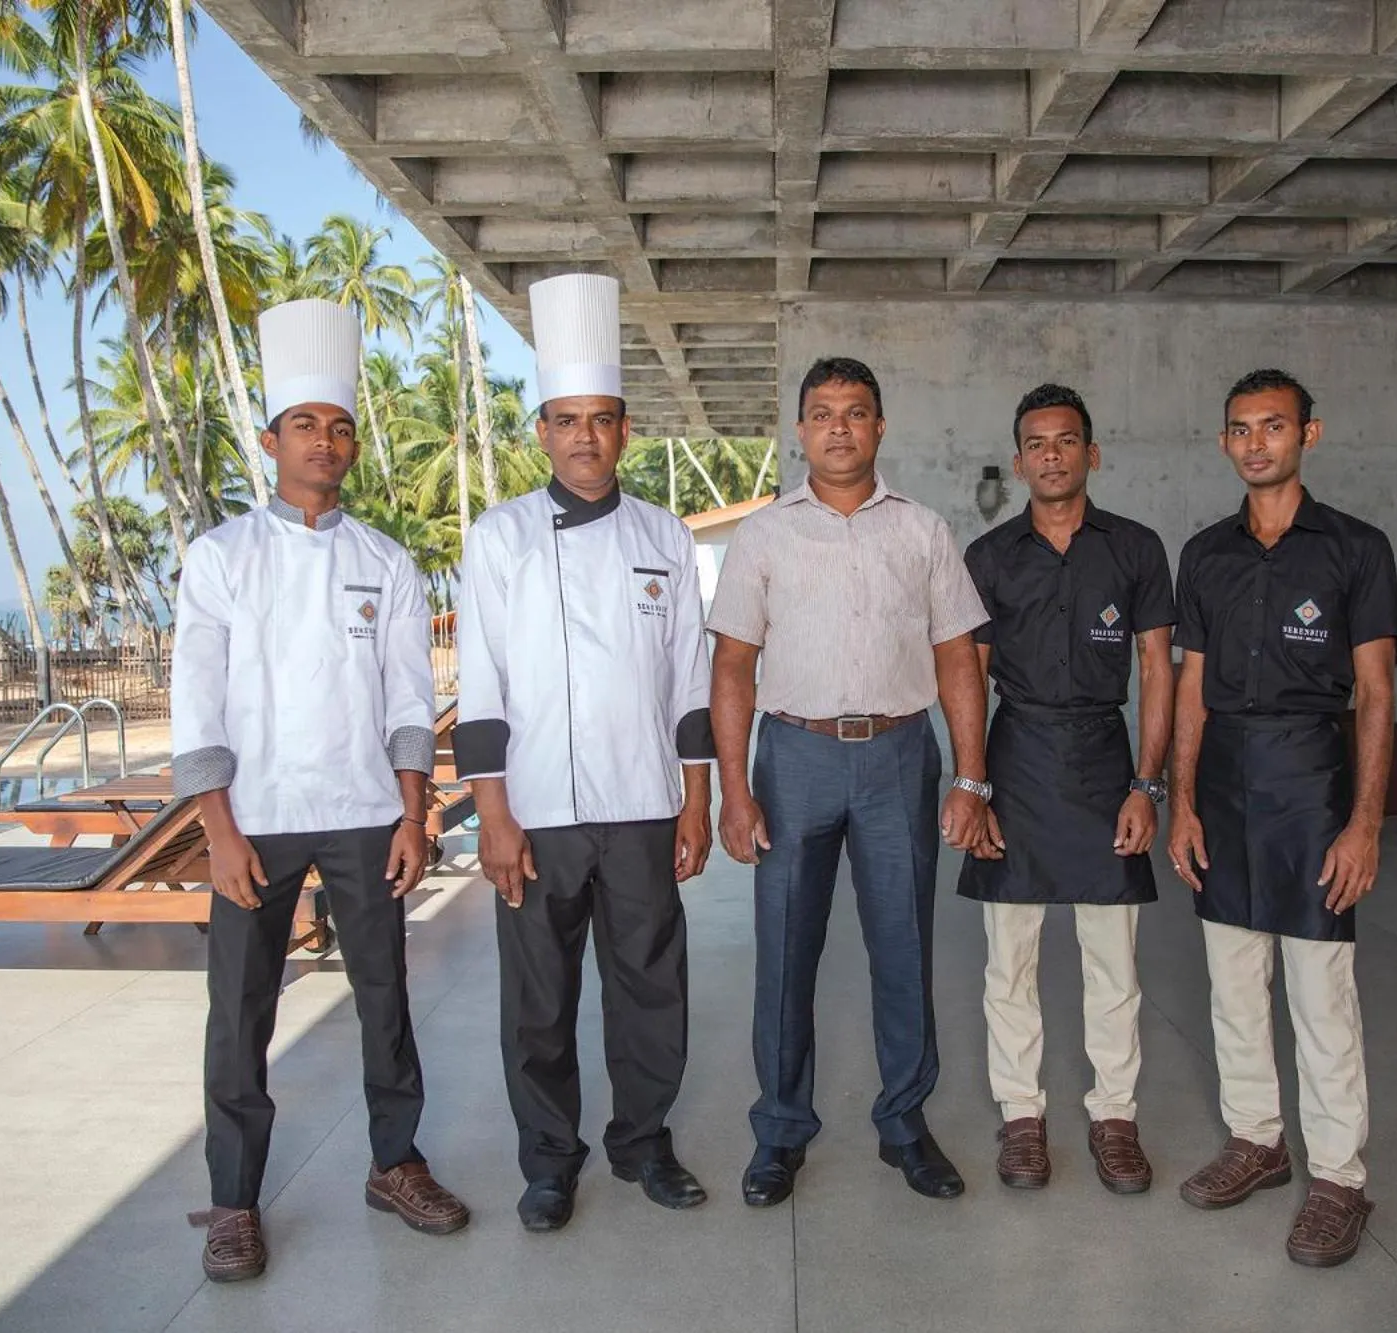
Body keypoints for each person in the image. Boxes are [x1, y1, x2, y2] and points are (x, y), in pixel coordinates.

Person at [173, 298, 467, 1284]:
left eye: (339, 426)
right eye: (306, 424)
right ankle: (234, 1199)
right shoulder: (219, 559)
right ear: (270, 440)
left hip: (362, 814)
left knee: (384, 997)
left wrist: (415, 810)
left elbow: (405, 699)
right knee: (241, 1011)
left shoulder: (385, 561)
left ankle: (395, 1162)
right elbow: (198, 705)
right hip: (252, 817)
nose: (326, 441)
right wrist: (216, 830)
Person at [451, 273, 715, 1233]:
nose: (585, 437)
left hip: (643, 803)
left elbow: (690, 680)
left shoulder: (665, 537)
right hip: (536, 812)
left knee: (651, 985)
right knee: (540, 1000)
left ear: (625, 429)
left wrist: (698, 800)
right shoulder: (499, 538)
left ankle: (644, 1141)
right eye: (566, 420)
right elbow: (479, 685)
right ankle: (549, 1162)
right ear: (542, 432)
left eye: (602, 420)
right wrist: (492, 816)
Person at [708, 356, 990, 1208]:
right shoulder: (764, 533)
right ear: (800, 431)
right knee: (786, 952)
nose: (839, 426)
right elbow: (731, 666)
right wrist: (734, 787)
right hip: (793, 758)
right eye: (823, 412)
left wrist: (971, 778)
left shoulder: (923, 531)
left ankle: (905, 1124)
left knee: (903, 947)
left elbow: (958, 659)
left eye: (856, 412)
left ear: (879, 427)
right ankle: (780, 1130)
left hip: (901, 757)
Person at [1166, 368, 1397, 1269]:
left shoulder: (1356, 548)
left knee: (1319, 993)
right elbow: (1190, 686)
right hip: (1222, 785)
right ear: (1225, 442)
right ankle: (1257, 1142)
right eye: (1241, 428)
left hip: (1313, 783)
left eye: (1274, 426)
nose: (1256, 441)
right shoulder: (1205, 554)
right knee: (1231, 981)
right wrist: (1181, 801)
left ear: (1310, 433)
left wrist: (1365, 823)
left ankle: (1339, 1177)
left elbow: (1376, 695)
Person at [959, 384, 1175, 1194]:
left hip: (1102, 760)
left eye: (1066, 440)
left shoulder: (1136, 549)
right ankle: (1021, 1116)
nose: (1051, 454)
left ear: (1092, 451)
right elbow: (969, 679)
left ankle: (1114, 1116)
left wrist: (1145, 784)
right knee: (1008, 959)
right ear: (1019, 461)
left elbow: (1157, 668)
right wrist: (971, 783)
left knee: (1112, 960)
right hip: (1014, 760)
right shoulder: (988, 557)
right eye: (1037, 443)